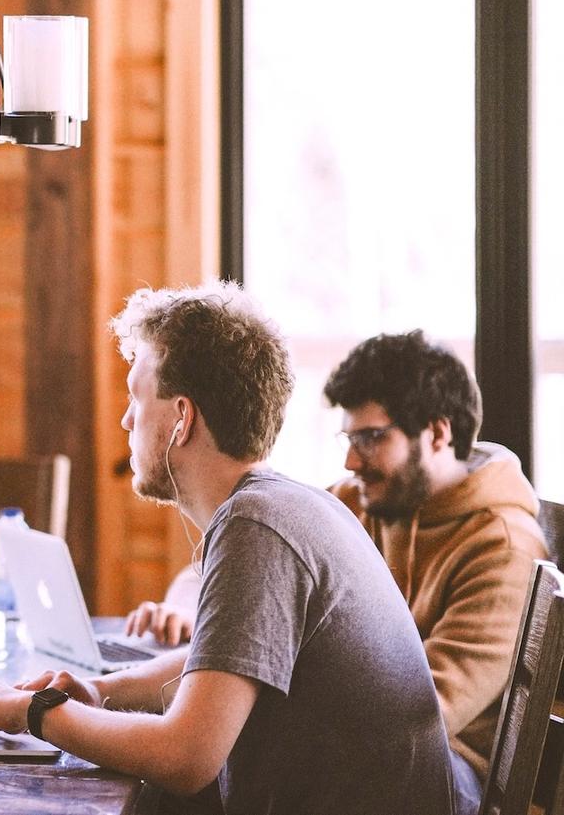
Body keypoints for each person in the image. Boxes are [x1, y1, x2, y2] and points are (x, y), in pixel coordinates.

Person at [0, 282, 458, 815]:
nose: (125, 420)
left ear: (181, 419)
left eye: (136, 398)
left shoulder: (256, 525)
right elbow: (222, 660)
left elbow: (187, 757)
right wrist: (98, 691)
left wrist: (31, 711)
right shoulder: (290, 505)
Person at [123, 330, 545, 809]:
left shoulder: (504, 545)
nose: (350, 459)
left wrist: (222, 701)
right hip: (359, 745)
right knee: (169, 772)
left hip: (445, 774)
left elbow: (420, 714)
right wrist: (182, 607)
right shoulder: (356, 500)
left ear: (438, 433)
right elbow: (241, 572)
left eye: (370, 438)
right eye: (348, 437)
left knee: (189, 764)